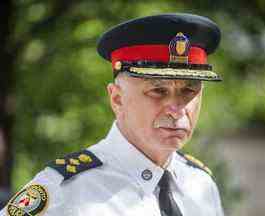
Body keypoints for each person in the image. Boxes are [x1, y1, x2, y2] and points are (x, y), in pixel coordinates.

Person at [0, 13, 224, 216]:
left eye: (189, 90)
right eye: (158, 90)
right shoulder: (65, 191)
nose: (176, 110)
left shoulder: (201, 185)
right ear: (117, 99)